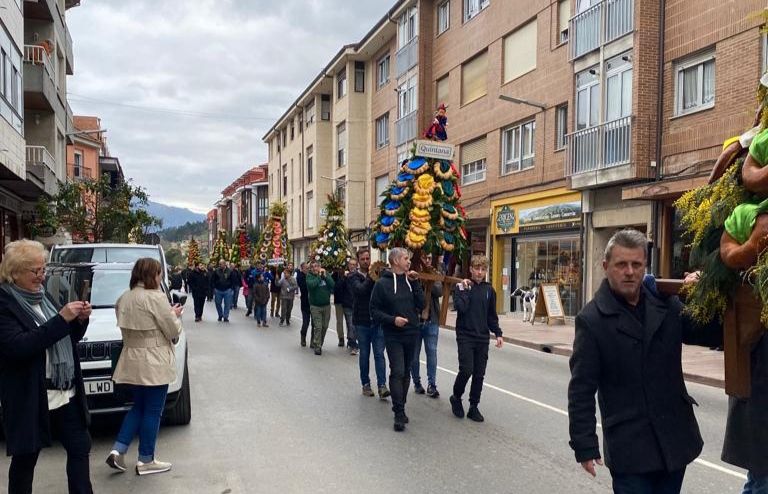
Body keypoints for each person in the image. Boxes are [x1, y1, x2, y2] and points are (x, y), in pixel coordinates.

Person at [567, 229, 719, 494]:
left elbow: (707, 332)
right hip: (631, 449)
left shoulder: (666, 303)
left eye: (636, 264)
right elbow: (581, 388)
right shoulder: (591, 320)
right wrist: (585, 444)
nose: (629, 271)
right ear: (606, 267)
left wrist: (706, 293)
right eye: (621, 264)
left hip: (673, 441)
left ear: (644, 266)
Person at [0, 240, 94, 494]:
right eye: (35, 271)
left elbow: (65, 338)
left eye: (43, 270)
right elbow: (19, 347)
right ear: (15, 271)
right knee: (25, 459)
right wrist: (62, 319)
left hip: (65, 393)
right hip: (30, 396)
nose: (41, 276)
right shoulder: (5, 303)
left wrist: (78, 322)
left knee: (80, 448)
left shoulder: (43, 296)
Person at [106, 258, 182, 476]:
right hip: (154, 358)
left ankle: (118, 450)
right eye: (159, 274)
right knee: (153, 410)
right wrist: (175, 316)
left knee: (138, 407)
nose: (160, 278)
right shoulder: (156, 298)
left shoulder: (124, 298)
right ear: (153, 275)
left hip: (131, 356)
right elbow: (172, 331)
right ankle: (146, 459)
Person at [370, 247, 424, 432]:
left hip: (412, 332)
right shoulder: (382, 284)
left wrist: (416, 283)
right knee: (398, 370)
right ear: (395, 261)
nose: (409, 262)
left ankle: (401, 405)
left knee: (407, 371)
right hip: (393, 334)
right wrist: (393, 320)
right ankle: (398, 413)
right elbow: (374, 311)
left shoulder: (410, 281)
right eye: (405, 258)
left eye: (408, 258)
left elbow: (421, 304)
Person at [449, 254, 503, 422]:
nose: (480, 272)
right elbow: (461, 308)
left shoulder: (489, 290)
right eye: (477, 269)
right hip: (465, 335)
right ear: (471, 269)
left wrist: (498, 333)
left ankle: (474, 406)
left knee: (479, 373)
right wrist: (464, 290)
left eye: (483, 269)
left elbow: (491, 316)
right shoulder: (461, 287)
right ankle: (456, 397)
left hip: (482, 337)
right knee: (466, 369)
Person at [348, 249, 389, 399]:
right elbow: (360, 291)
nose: (366, 261)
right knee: (364, 354)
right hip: (362, 322)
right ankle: (365, 384)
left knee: (379, 354)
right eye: (363, 259)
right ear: (358, 261)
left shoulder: (377, 275)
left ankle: (382, 385)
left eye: (368, 258)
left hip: (377, 321)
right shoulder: (353, 276)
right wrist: (372, 277)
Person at [411, 252, 442, 398]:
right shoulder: (411, 273)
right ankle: (417, 383)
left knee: (432, 353)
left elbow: (439, 291)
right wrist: (416, 280)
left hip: (431, 320)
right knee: (414, 356)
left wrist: (428, 279)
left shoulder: (435, 272)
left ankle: (432, 384)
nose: (428, 261)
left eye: (430, 258)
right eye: (425, 258)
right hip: (415, 322)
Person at [307, 261, 335, 355]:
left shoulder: (325, 274)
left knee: (325, 326)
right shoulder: (309, 276)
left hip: (326, 306)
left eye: (317, 266)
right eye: (314, 267)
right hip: (315, 306)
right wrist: (319, 277)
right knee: (318, 327)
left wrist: (326, 276)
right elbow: (311, 286)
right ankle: (317, 347)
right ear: (311, 268)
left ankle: (318, 343)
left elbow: (332, 285)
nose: (316, 268)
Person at [333, 268, 350, 349]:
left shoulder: (347, 278)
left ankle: (350, 338)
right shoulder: (335, 277)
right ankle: (341, 338)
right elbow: (334, 288)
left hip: (347, 302)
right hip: (338, 302)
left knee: (349, 322)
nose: (341, 271)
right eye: (339, 269)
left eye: (341, 269)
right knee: (339, 321)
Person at [296, 262, 312, 347]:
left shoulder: (311, 275)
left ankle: (313, 341)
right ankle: (303, 336)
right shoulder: (300, 276)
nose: (308, 269)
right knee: (306, 322)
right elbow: (303, 287)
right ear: (302, 269)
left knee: (315, 324)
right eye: (306, 268)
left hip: (313, 303)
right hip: (305, 303)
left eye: (308, 268)